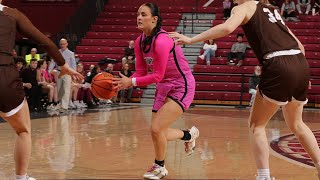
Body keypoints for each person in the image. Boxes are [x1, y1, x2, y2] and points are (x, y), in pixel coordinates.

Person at [169, 0, 320, 179]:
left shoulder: (244, 7)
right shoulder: (272, 10)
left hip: (279, 64)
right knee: (297, 123)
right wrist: (297, 74)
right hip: (300, 64)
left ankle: (263, 176)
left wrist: (191, 39)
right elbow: (300, 47)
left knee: (257, 126)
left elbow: (226, 28)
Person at [112, 3, 199, 179]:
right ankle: (189, 135)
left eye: (143, 14)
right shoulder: (139, 41)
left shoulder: (162, 40)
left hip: (181, 85)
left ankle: (160, 167)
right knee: (156, 131)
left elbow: (157, 75)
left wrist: (132, 82)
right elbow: (142, 72)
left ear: (154, 19)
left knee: (157, 128)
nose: (139, 17)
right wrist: (126, 82)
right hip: (163, 86)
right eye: (137, 14)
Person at [0, 2, 83, 180]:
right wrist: (63, 65)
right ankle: (21, 177)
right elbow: (43, 41)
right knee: (23, 131)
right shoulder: (11, 13)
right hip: (4, 77)